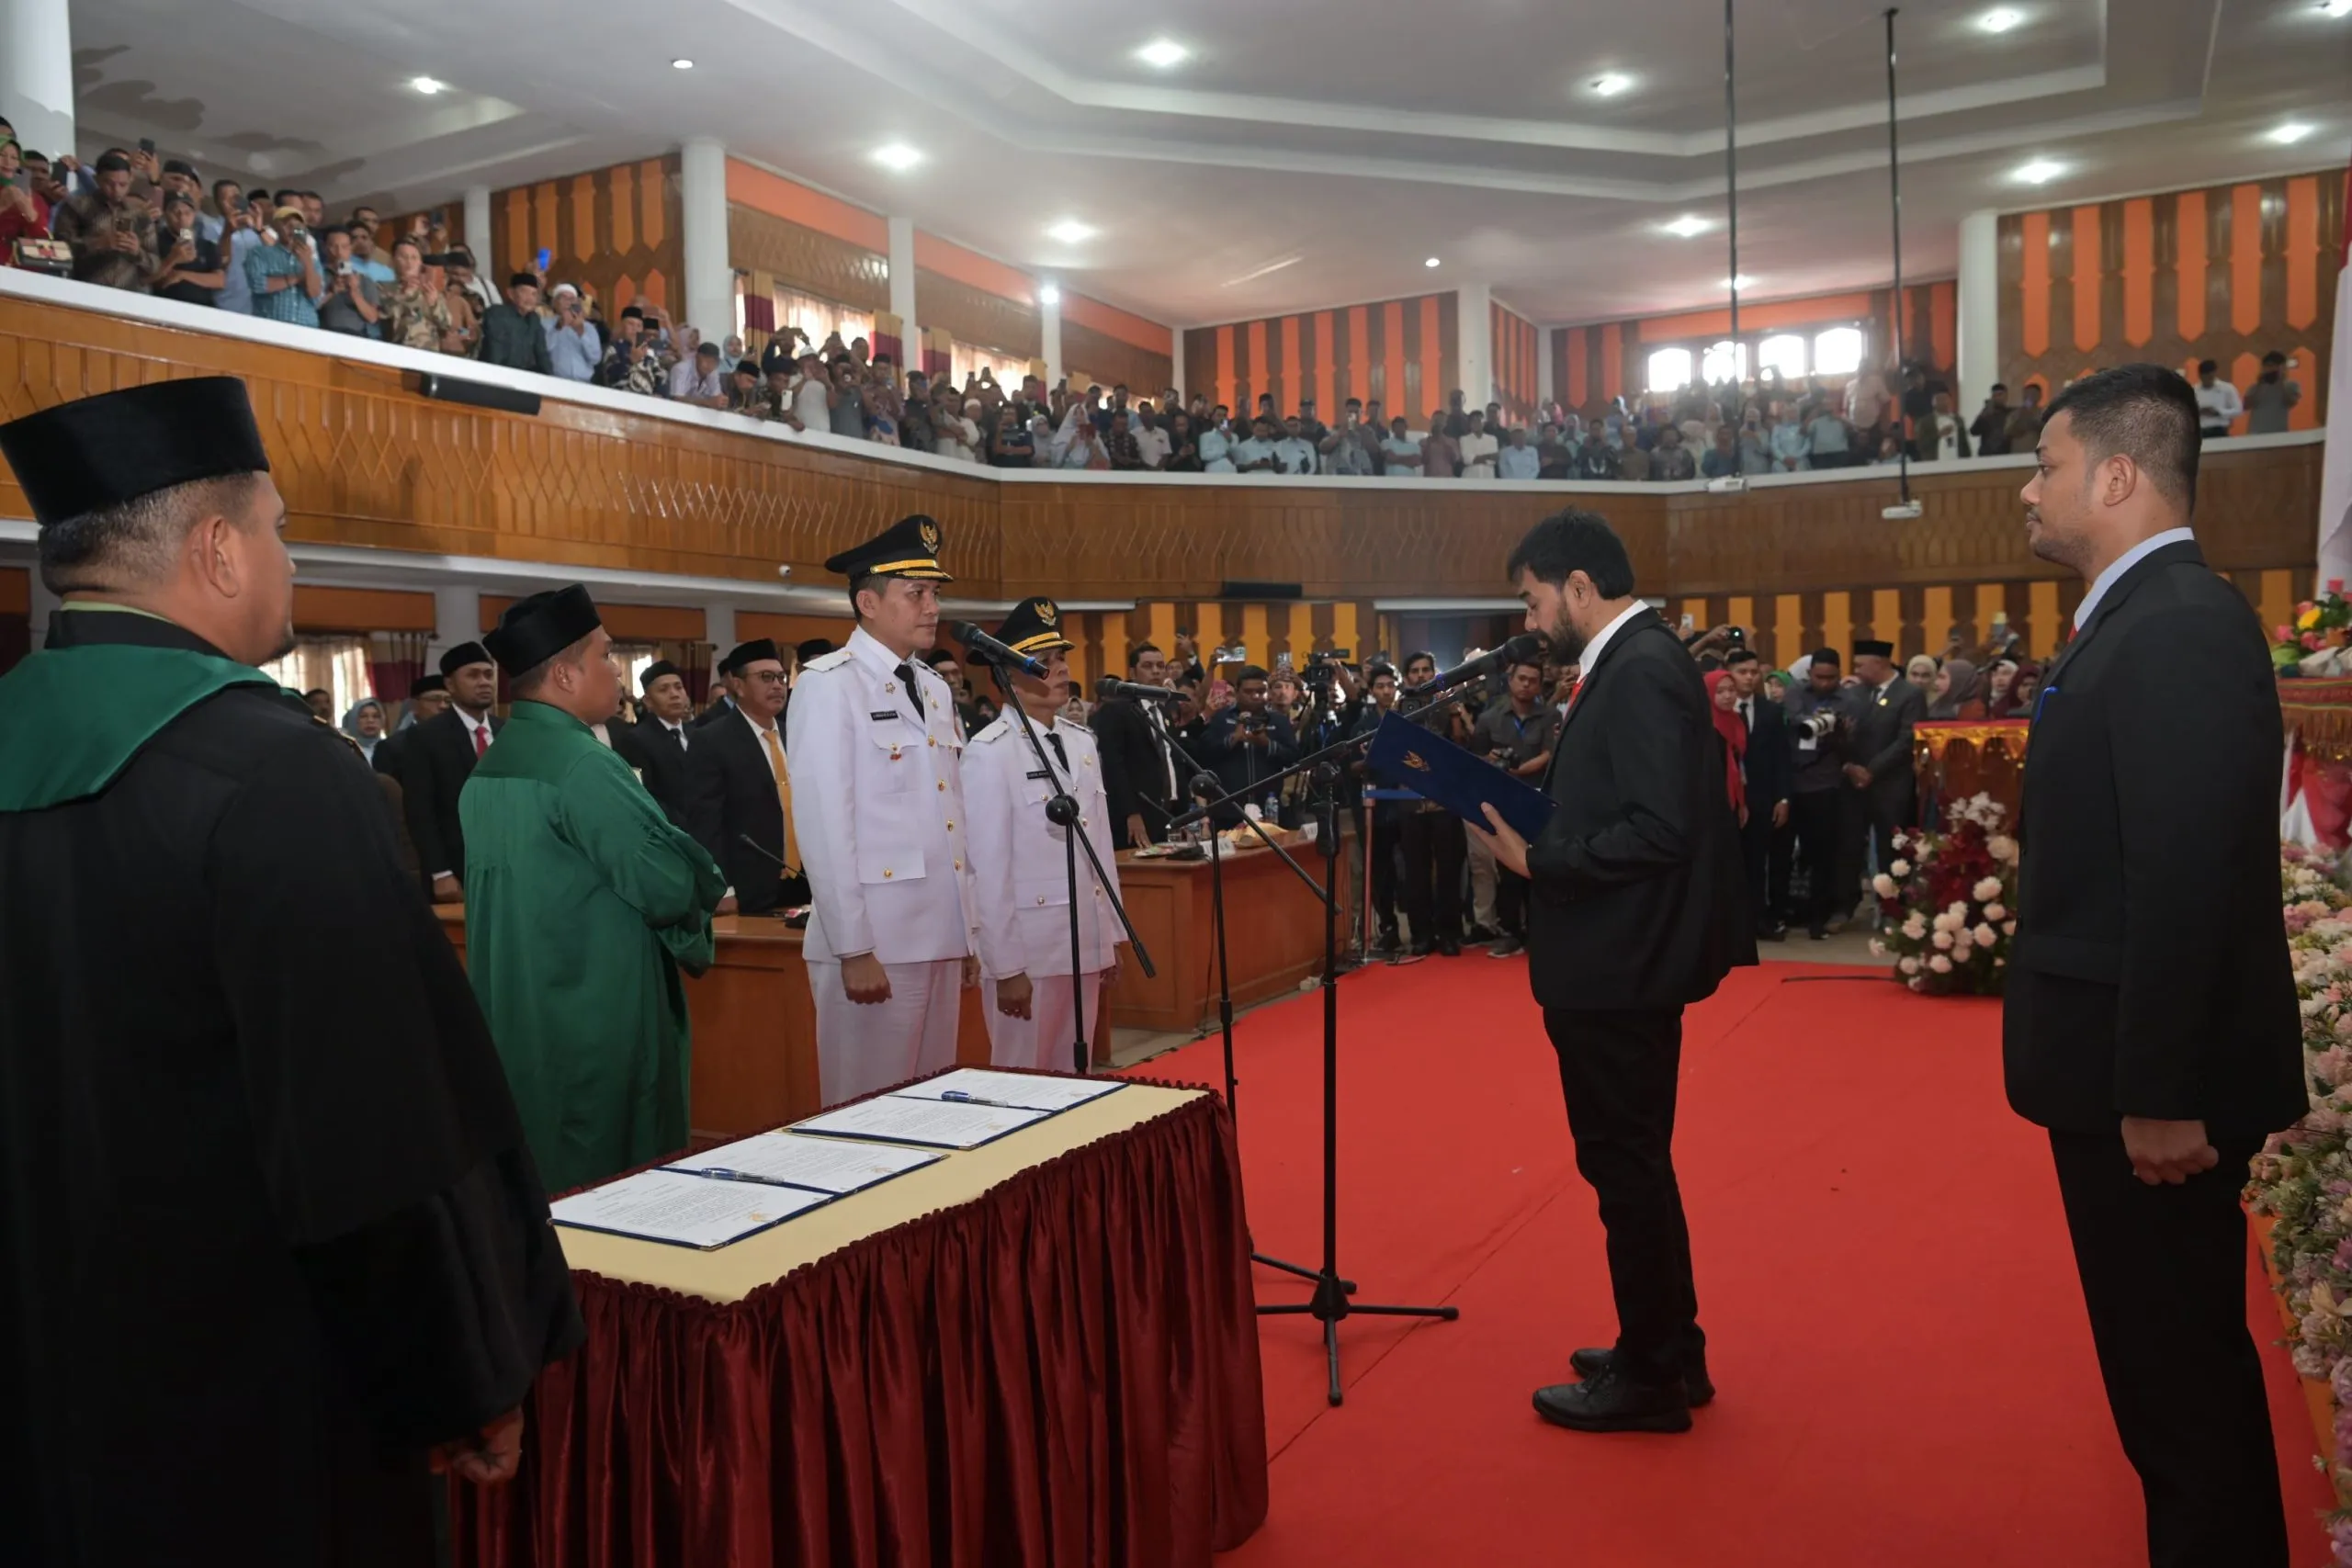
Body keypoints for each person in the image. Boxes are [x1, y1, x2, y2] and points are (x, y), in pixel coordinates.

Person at [0, 377, 579, 1562]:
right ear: (216, 550)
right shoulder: (277, 774)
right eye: (278, 529)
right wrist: (462, 1377)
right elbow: (374, 1131)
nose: (291, 560)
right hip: (245, 1392)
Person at [2007, 363, 2304, 1565]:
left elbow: (2184, 878)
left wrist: (2161, 1091)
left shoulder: (2175, 623)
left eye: (2046, 466)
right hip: (2121, 1071)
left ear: (2118, 474)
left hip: (2151, 1093)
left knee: (2181, 1395)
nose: (2028, 490)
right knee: (2166, 1385)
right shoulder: (2141, 615)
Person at [1467, 509, 1750, 1435]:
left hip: (1620, 964)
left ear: (1579, 587)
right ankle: (1668, 1346)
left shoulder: (1639, 668)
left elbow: (1661, 829)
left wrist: (1538, 859)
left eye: (1532, 599)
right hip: (1618, 957)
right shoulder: (1633, 661)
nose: (1529, 618)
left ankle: (1651, 1376)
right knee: (1633, 1165)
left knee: (1624, 1167)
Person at [458, 586, 724, 1193]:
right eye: (606, 655)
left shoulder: (492, 764)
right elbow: (666, 886)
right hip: (596, 1009)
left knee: (540, 1169)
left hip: (520, 1005)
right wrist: (697, 874)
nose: (618, 671)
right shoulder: (582, 763)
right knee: (616, 1178)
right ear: (564, 674)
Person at [786, 514, 978, 1106]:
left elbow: (952, 817)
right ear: (868, 603)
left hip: (937, 934)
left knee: (930, 1107)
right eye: (916, 593)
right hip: (876, 941)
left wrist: (967, 932)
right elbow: (824, 825)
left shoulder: (933, 686)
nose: (932, 607)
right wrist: (854, 947)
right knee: (867, 1111)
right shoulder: (829, 685)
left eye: (935, 593)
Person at [964, 597, 1125, 1070]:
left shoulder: (1081, 742)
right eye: (1044, 660)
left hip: (1083, 938)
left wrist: (1109, 936)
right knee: (1025, 1076)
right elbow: (985, 868)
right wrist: (1005, 965)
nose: (1061, 669)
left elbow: (1099, 846)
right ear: (1007, 676)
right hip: (1029, 949)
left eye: (1061, 657)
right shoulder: (990, 753)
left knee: (1077, 1075)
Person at [684, 639, 808, 916]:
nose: (777, 686)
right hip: (749, 889)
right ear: (738, 686)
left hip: (806, 884)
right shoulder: (712, 741)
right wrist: (723, 889)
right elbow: (705, 825)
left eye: (780, 677)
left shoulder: (796, 733)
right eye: (765, 677)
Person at [381, 639, 503, 901]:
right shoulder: (426, 737)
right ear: (450, 684)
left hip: (509, 866)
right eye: (473, 675)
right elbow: (420, 810)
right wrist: (440, 872)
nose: (484, 682)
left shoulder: (507, 732)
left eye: (488, 674)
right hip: (456, 870)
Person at [1468, 654, 1558, 958]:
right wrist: (1493, 760)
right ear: (1510, 681)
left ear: (1540, 685)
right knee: (1507, 869)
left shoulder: (1550, 716)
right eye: (1522, 678)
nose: (1526, 685)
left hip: (1538, 798)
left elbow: (1549, 753)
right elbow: (1477, 755)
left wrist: (1518, 770)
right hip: (1502, 800)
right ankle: (1510, 932)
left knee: (1541, 867)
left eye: (1533, 681)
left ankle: (1539, 932)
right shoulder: (1489, 717)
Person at [1838, 639, 1925, 924]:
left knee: (1892, 850)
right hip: (1854, 783)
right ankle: (1845, 907)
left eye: (1860, 665)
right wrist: (1851, 766)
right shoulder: (1855, 695)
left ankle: (1893, 908)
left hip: (1891, 785)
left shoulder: (1909, 694)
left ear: (1880, 663)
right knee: (1849, 846)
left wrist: (1871, 770)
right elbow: (1843, 733)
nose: (1856, 670)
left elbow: (1906, 739)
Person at [1781, 649, 1850, 939]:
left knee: (1823, 855)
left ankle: (1818, 918)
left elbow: (1852, 742)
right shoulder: (1795, 693)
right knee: (1785, 854)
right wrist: (1817, 722)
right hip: (1791, 783)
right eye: (1819, 677)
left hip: (1825, 785)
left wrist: (1840, 731)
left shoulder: (1847, 700)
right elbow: (1795, 721)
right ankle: (1783, 912)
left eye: (1831, 677)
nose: (1824, 683)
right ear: (1809, 673)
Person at [1724, 647, 1791, 941]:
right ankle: (1728, 923)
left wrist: (1783, 798)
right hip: (1727, 801)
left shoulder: (1771, 712)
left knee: (1757, 862)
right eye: (1742, 672)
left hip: (1761, 799)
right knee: (1728, 863)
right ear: (1729, 674)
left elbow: (1782, 759)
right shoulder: (1716, 711)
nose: (1749, 678)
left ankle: (1757, 920)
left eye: (1753, 672)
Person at [1093, 641, 1182, 849]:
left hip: (1168, 813)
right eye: (1148, 666)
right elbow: (1114, 767)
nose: (1156, 671)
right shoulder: (1116, 710)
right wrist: (1131, 813)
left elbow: (1172, 762)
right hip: (1137, 815)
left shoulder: (1164, 712)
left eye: (1160, 666)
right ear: (1133, 672)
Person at [1194, 662, 1299, 829]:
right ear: (1237, 692)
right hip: (1227, 812)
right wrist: (1233, 739)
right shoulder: (1221, 718)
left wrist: (1267, 744)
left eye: (1261, 691)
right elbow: (1204, 755)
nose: (1255, 696)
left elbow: (1293, 757)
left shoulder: (1278, 720)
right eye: (1249, 691)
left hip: (1269, 809)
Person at [610, 658, 695, 827]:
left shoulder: (697, 734)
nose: (674, 694)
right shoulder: (636, 740)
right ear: (648, 701)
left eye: (679, 687)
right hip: (672, 831)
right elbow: (643, 796)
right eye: (664, 689)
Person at [2244, 350, 2301, 435]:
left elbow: (2290, 403)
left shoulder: (2292, 385)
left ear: (2282, 367)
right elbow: (2246, 406)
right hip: (2256, 432)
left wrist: (2281, 382)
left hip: (2279, 432)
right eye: (2267, 366)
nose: (2269, 369)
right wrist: (2260, 384)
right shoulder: (2254, 387)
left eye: (2273, 366)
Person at [1926, 657, 1986, 721]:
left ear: (1959, 681)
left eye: (1942, 677)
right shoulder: (1936, 705)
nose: (1936, 683)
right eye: (1937, 677)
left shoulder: (1974, 712)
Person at [342, 696, 388, 764]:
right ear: (353, 720)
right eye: (363, 716)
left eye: (376, 716)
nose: (370, 720)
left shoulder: (390, 750)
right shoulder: (344, 751)